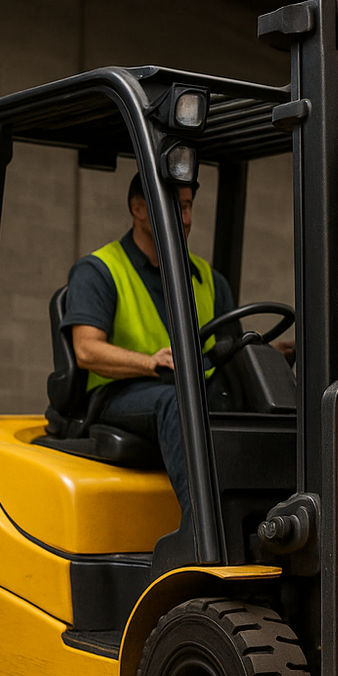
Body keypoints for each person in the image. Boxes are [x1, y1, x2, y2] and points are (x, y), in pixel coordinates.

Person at [62, 172, 259, 538]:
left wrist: (271, 356)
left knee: (257, 400)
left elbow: (229, 352)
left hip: (190, 390)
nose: (186, 219)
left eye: (188, 207)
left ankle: (265, 522)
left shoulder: (207, 278)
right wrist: (148, 362)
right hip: (121, 394)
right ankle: (206, 534)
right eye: (176, 207)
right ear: (138, 209)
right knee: (179, 402)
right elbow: (87, 350)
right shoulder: (100, 270)